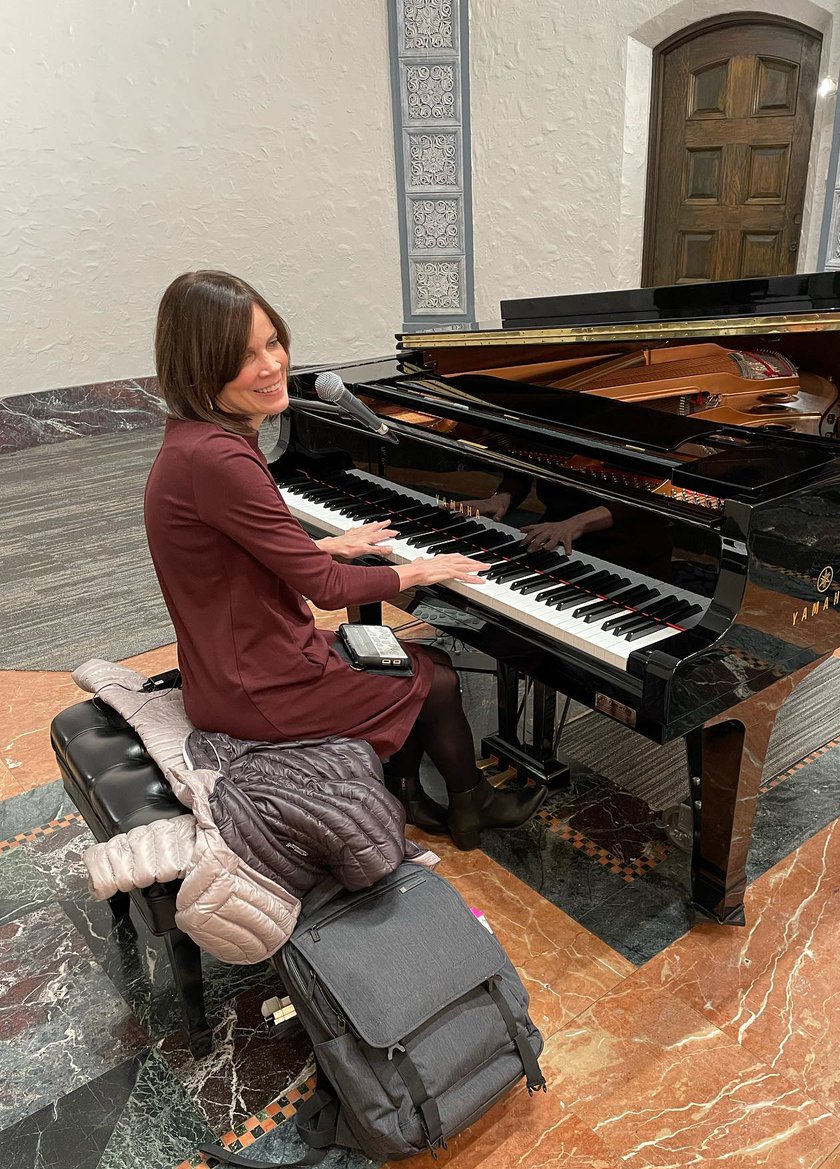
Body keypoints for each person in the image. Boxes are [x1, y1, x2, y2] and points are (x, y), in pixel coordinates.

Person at [144, 270, 543, 850]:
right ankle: (472, 804)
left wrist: (323, 544)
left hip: (230, 668)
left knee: (415, 660)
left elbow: (224, 556)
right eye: (244, 356)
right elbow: (327, 590)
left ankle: (410, 794)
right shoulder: (220, 461)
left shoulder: (193, 442)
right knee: (435, 678)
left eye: (272, 343)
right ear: (199, 368)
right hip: (259, 687)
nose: (272, 366)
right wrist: (418, 569)